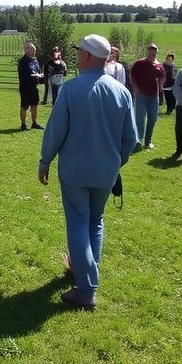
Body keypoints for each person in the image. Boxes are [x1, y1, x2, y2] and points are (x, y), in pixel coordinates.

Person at [38, 34, 137, 311]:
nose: (77, 55)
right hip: (106, 172)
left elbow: (55, 131)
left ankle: (86, 289)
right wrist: (117, 161)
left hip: (74, 172)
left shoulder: (71, 89)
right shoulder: (122, 92)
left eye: (80, 51)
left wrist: (45, 161)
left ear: (89, 57)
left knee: (79, 224)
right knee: (95, 222)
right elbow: (131, 138)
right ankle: (83, 273)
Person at [128, 42, 166, 149]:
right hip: (141, 95)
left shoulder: (159, 65)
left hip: (154, 96)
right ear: (147, 52)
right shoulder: (139, 63)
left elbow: (163, 77)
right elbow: (132, 76)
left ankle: (148, 141)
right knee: (140, 118)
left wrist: (160, 86)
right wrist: (135, 89)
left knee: (153, 118)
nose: (152, 55)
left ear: (156, 53)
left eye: (154, 54)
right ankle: (138, 140)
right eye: (150, 53)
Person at [17, 42, 44, 130]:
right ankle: (23, 124)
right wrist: (34, 76)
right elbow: (23, 75)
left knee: (34, 105)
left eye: (34, 49)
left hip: (34, 87)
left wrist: (41, 76)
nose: (33, 51)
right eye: (31, 49)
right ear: (26, 50)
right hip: (25, 87)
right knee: (24, 106)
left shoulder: (35, 60)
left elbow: (38, 71)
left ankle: (34, 123)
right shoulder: (23, 61)